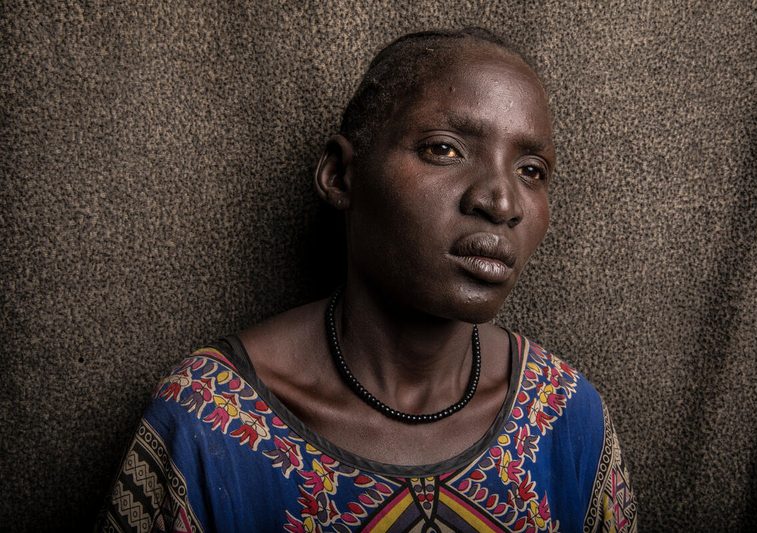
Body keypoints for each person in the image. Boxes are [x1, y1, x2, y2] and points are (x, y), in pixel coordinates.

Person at [98, 28, 637, 532]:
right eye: (444, 149)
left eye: (532, 170)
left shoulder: (568, 417)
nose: (500, 201)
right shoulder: (207, 420)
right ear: (340, 174)